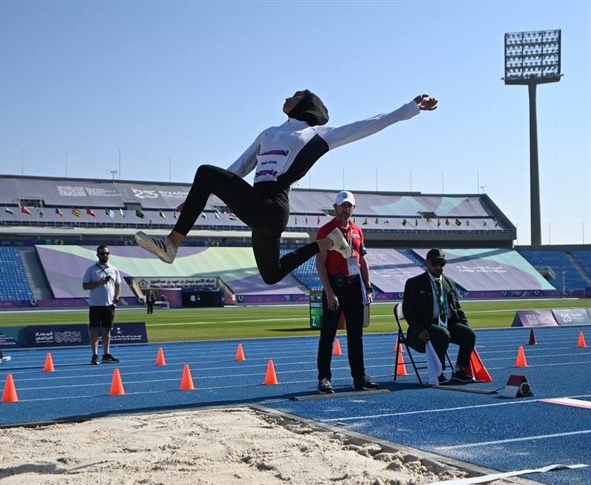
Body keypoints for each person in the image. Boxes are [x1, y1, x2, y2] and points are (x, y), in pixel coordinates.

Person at [135, 91, 438, 284]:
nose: (287, 96)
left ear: (306, 104)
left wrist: (410, 108)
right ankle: (324, 243)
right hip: (257, 202)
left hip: (274, 206)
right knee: (271, 274)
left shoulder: (318, 134)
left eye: (295, 95)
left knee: (204, 171)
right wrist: (196, 199)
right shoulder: (268, 132)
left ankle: (172, 243)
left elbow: (369, 124)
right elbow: (239, 168)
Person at [314, 191, 378, 394]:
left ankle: (359, 377)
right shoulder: (326, 231)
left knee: (356, 336)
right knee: (328, 335)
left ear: (353, 208)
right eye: (342, 206)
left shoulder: (358, 231)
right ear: (335, 208)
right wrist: (329, 292)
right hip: (335, 287)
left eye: (349, 206)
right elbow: (320, 263)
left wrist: (367, 286)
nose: (345, 210)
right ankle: (324, 378)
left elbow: (363, 260)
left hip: (354, 287)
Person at [402, 248, 475, 384]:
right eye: (435, 263)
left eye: (442, 263)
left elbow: (457, 308)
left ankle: (458, 370)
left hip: (448, 322)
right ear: (427, 263)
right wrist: (419, 330)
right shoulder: (414, 283)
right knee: (443, 334)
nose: (438, 267)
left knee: (469, 334)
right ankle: (438, 372)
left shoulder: (449, 282)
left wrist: (465, 325)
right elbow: (408, 311)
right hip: (426, 325)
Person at [82, 245, 122, 365]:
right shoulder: (91, 270)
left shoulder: (114, 269)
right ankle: (94, 355)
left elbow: (118, 285)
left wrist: (116, 299)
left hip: (109, 305)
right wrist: (99, 283)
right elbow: (85, 286)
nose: (104, 255)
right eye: (102, 253)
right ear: (97, 255)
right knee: (94, 330)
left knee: (107, 330)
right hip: (95, 304)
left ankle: (106, 354)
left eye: (106, 253)